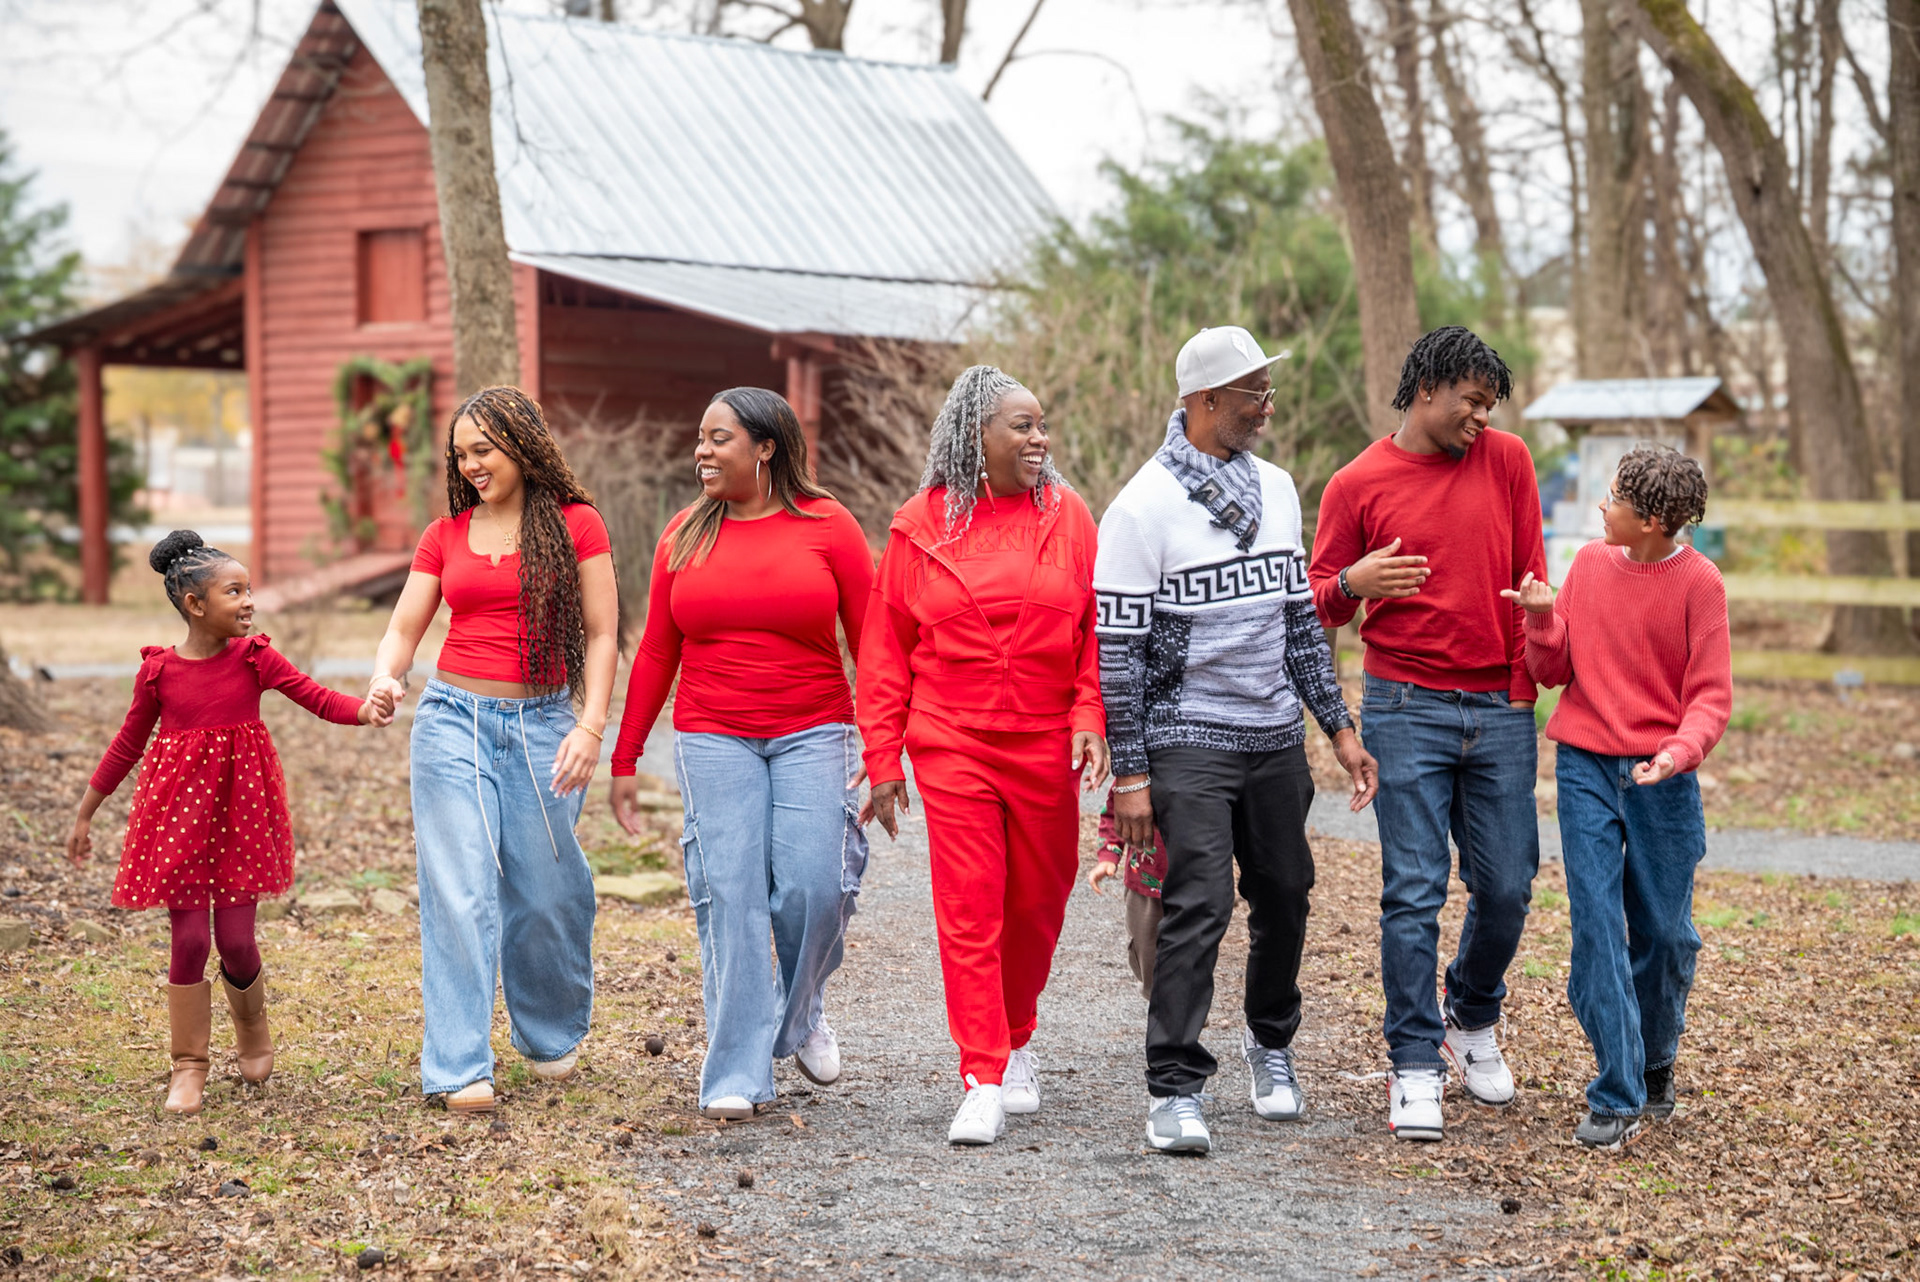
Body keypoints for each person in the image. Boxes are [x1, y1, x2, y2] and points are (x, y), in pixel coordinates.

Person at [1097, 325, 1377, 1155]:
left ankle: (1270, 1043)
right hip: (1186, 735)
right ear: (1206, 399)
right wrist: (1131, 777)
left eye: (1268, 393)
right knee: (1201, 903)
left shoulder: (1279, 490)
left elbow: (1299, 626)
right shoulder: (1141, 507)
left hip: (1273, 735)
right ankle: (1173, 1086)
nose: (1268, 408)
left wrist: (1340, 728)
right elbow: (1119, 657)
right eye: (1255, 395)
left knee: (1287, 891)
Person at [858, 365, 1110, 1147]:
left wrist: (1089, 713)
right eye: (1023, 426)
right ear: (978, 435)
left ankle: (1016, 1032)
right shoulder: (919, 524)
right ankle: (982, 1075)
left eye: (1042, 426)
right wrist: (883, 759)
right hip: (952, 740)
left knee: (1038, 901)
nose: (1040, 439)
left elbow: (1095, 633)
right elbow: (885, 651)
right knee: (970, 905)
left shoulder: (1069, 516)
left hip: (1044, 741)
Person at [1308, 326, 1546, 1143]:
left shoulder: (1508, 461)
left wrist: (1522, 689)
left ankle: (1470, 1015)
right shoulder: (1356, 483)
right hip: (1404, 705)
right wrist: (1354, 581)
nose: (1482, 418)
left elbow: (1529, 578)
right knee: (1413, 889)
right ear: (1426, 390)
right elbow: (1316, 601)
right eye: (1471, 402)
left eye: (1490, 405)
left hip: (1499, 708)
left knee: (1508, 885)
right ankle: (1413, 1061)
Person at [610, 387, 874, 1121]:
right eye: (700, 437)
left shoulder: (829, 526)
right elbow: (656, 650)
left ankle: (803, 1009)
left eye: (717, 438)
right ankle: (737, 1069)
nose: (701, 450)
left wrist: (887, 744)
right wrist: (626, 757)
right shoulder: (684, 534)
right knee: (732, 895)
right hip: (712, 733)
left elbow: (873, 639)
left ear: (766, 447)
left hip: (815, 728)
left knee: (814, 887)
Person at [65, 531, 395, 1115]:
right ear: (195, 604)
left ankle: (252, 1029)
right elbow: (127, 744)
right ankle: (189, 1064)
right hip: (178, 822)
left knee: (237, 942)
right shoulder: (159, 673)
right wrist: (86, 812)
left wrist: (364, 710)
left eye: (248, 589)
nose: (249, 601)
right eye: (234, 592)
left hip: (242, 818)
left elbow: (315, 696)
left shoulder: (254, 657)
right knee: (191, 940)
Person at [369, 386, 619, 1114]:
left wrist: (590, 726)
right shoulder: (444, 534)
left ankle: (548, 1031)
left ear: (522, 444)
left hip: (545, 724)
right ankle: (458, 1067)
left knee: (547, 890)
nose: (471, 465)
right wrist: (387, 676)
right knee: (460, 890)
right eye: (461, 455)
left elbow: (603, 634)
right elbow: (404, 628)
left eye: (483, 450)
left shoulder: (577, 524)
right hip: (452, 719)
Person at [1504, 445, 1729, 1150]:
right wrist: (1543, 619)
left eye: (1615, 500)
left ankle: (1654, 1059)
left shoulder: (1700, 583)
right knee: (1597, 926)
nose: (1602, 507)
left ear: (1653, 520)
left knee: (1664, 935)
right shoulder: (1590, 565)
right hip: (1585, 768)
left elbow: (1710, 695)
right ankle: (1618, 1091)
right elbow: (1553, 670)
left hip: (1664, 777)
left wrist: (1678, 753)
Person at [1086, 796, 1167, 999]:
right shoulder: (1135, 776)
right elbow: (1116, 811)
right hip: (1145, 886)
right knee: (1147, 953)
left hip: (1195, 883)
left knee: (1192, 954)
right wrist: (1108, 855)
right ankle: (1158, 999)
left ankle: (1183, 1007)